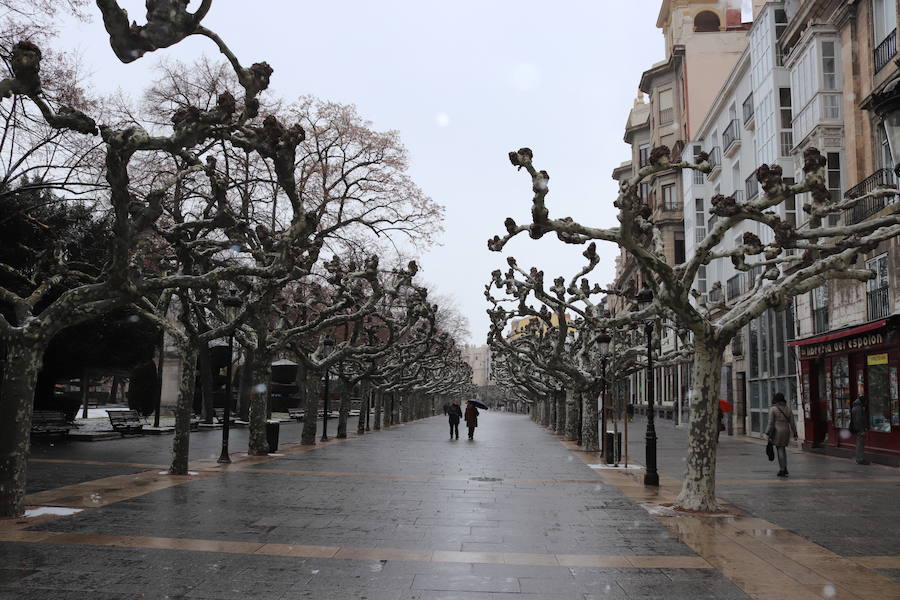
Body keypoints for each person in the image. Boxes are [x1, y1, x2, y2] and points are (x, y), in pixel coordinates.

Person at [766, 392, 798, 478]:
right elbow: (792, 423)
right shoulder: (788, 409)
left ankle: (782, 470)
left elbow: (771, 423)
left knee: (779, 449)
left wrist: (768, 432)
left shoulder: (773, 409)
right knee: (783, 449)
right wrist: (795, 433)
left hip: (777, 431)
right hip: (786, 430)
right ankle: (785, 467)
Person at [849, 396, 871, 465]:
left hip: (858, 429)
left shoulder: (856, 406)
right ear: (863, 401)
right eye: (866, 401)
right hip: (859, 429)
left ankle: (859, 458)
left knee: (859, 443)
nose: (866, 403)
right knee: (860, 444)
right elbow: (858, 420)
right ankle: (860, 459)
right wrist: (862, 430)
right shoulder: (858, 408)